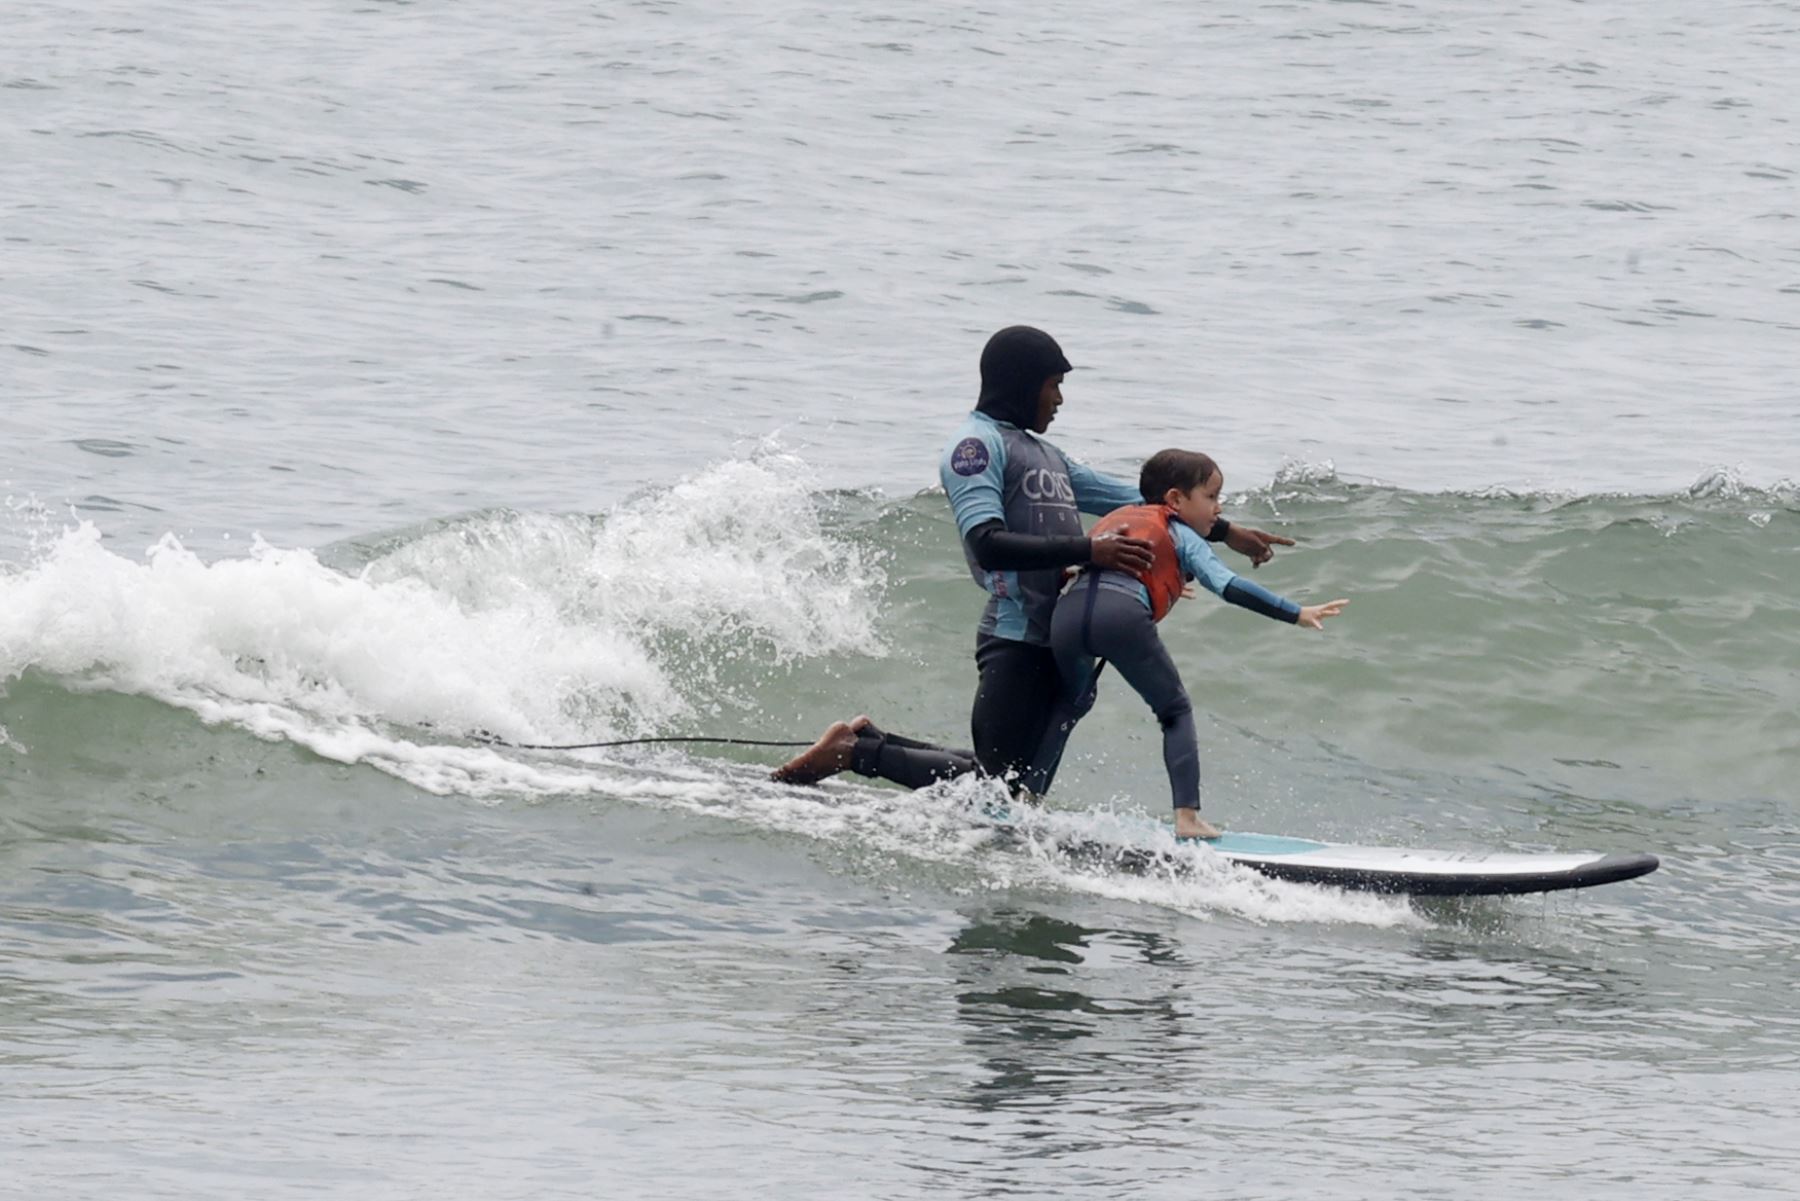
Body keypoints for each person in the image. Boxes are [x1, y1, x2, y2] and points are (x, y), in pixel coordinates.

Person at [772, 326, 1293, 795]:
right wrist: (1090, 550)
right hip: (1016, 634)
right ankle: (856, 753)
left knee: (1006, 780)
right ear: (1023, 383)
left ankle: (867, 741)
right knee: (997, 789)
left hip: (1058, 633)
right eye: (1053, 385)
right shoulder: (974, 447)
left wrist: (1224, 532)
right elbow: (987, 542)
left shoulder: (1047, 455)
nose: (1060, 399)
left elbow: (1142, 502)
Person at [1033, 448, 1347, 838]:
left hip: (1067, 617)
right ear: (1175, 500)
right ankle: (1187, 818)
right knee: (1175, 709)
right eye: (1211, 497)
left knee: (1069, 705)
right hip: (1121, 619)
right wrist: (1296, 612)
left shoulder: (1116, 520)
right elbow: (1229, 586)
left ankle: (1026, 802)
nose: (1219, 509)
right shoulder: (1180, 532)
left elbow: (1096, 571)